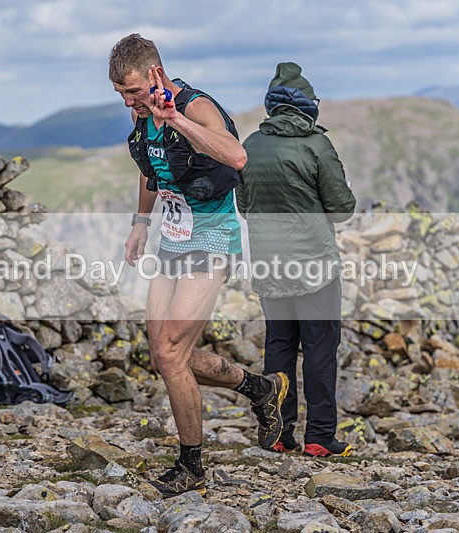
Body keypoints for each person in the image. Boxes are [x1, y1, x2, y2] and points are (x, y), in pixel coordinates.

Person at [108, 34, 289, 497]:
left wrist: (176, 120)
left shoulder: (195, 106)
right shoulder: (141, 113)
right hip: (172, 238)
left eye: (133, 91)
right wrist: (140, 224)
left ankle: (191, 465)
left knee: (170, 353)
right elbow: (152, 169)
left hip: (212, 238)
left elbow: (236, 156)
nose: (129, 102)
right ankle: (261, 389)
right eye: (121, 95)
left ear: (154, 75)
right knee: (165, 357)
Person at [236, 62, 356, 457]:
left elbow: (243, 205)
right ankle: (320, 438)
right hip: (315, 266)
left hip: (269, 266)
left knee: (280, 347)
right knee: (320, 349)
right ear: (307, 105)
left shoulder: (250, 146)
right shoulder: (316, 145)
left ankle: (280, 434)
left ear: (272, 105)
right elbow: (341, 209)